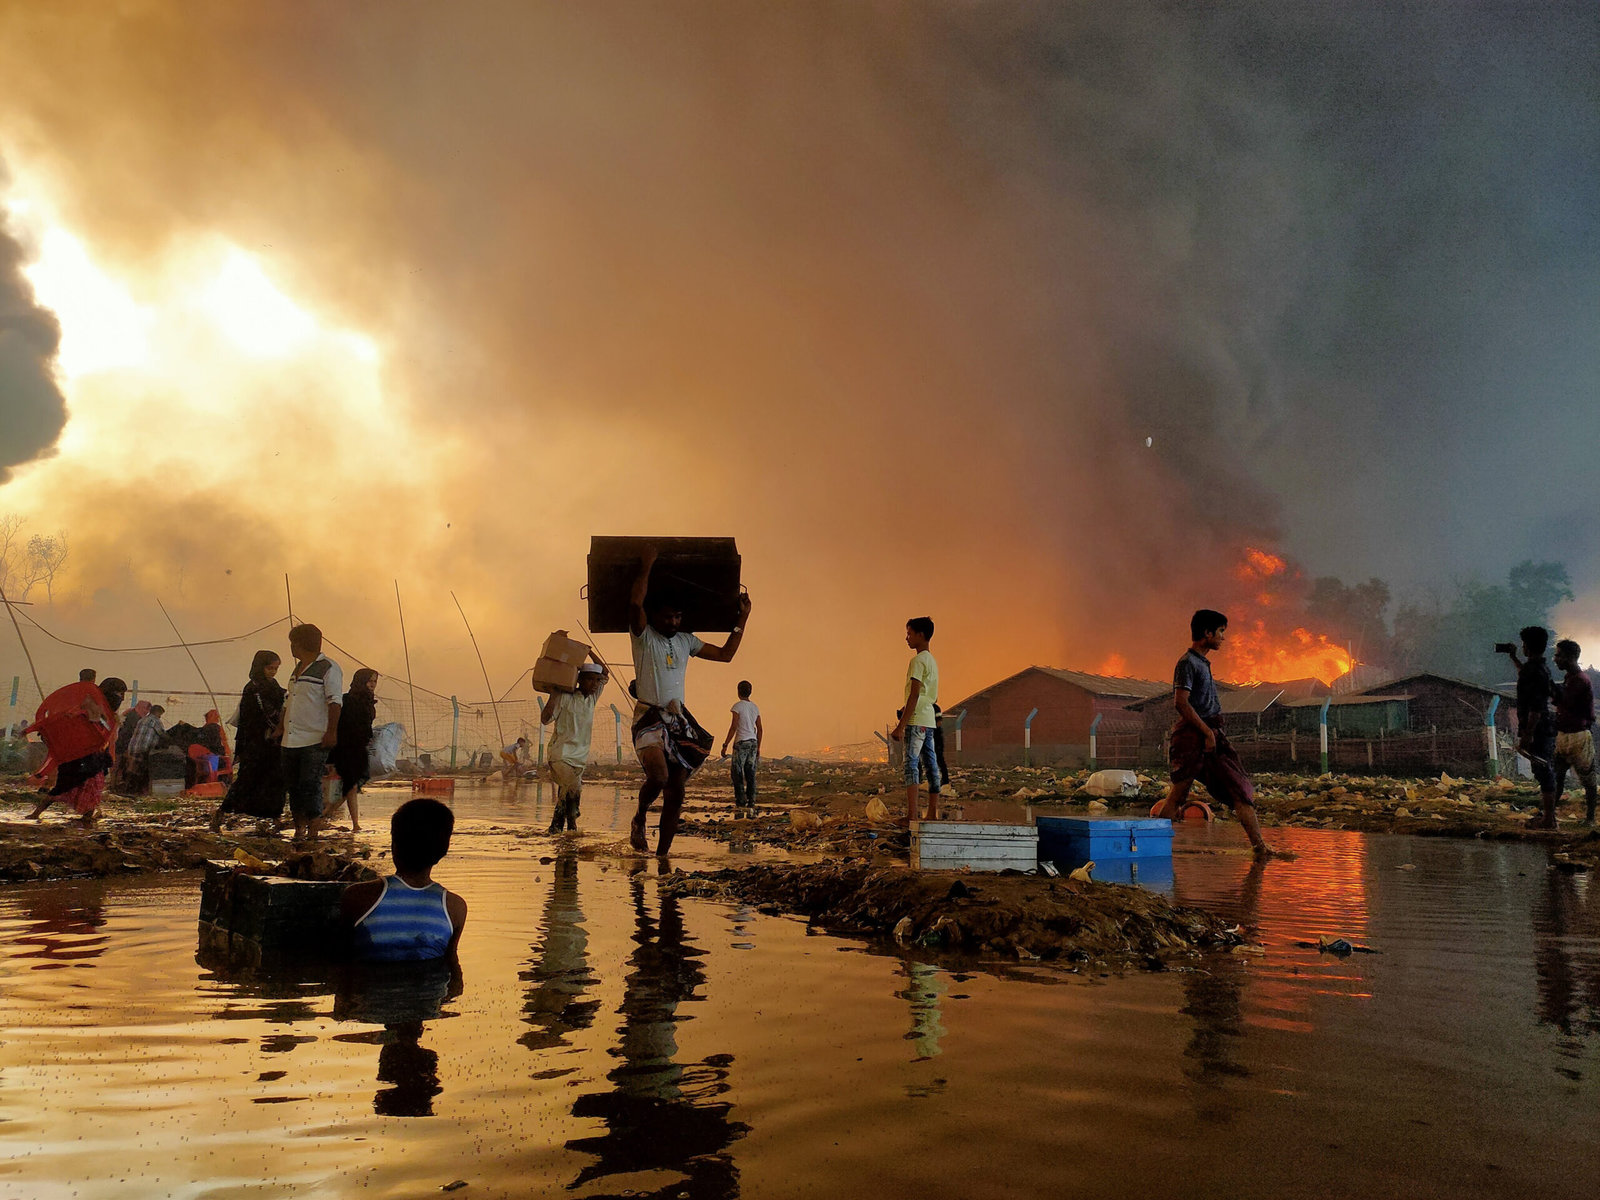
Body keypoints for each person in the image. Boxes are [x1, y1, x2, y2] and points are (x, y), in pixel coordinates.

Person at [628, 545, 753, 856]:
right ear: (655, 615)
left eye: (678, 616)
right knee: (658, 775)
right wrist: (646, 565)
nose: (673, 621)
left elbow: (725, 655)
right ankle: (640, 817)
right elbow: (634, 604)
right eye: (668, 616)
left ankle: (662, 859)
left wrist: (743, 617)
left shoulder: (686, 640)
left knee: (677, 791)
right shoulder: (643, 637)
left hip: (678, 720)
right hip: (648, 718)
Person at [1154, 609, 1285, 858]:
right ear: (1207, 633)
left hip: (1209, 734)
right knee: (1179, 794)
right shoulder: (1187, 663)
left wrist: (1211, 733)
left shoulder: (1201, 662)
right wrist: (1206, 733)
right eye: (1221, 632)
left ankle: (1260, 848)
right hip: (1195, 737)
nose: (1223, 638)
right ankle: (1154, 846)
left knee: (1238, 788)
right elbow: (1181, 703)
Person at [340, 797, 468, 963]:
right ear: (444, 850)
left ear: (394, 846)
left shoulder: (357, 896)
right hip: (429, 986)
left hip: (370, 986)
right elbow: (451, 965)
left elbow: (343, 958)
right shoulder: (455, 908)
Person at [26, 677, 127, 825]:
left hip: (95, 754)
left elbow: (105, 735)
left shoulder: (110, 714)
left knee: (92, 786)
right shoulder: (91, 704)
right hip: (80, 753)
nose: (122, 698)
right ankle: (37, 813)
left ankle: (87, 816)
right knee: (65, 784)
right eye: (119, 693)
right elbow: (78, 720)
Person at [281, 623, 343, 843]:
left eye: (293, 643)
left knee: (310, 783)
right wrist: (280, 728)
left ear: (299, 644)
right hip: (290, 738)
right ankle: (298, 828)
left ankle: (314, 830)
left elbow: (335, 702)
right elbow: (289, 701)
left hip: (314, 737)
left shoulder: (328, 667)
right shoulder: (296, 669)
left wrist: (331, 732)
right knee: (293, 785)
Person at [211, 650, 286, 831]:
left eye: (276, 668)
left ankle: (275, 817)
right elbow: (265, 713)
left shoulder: (273, 685)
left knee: (275, 779)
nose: (273, 672)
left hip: (272, 744)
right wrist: (278, 724)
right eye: (270, 668)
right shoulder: (253, 688)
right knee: (247, 779)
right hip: (255, 742)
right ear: (260, 667)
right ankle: (220, 813)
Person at [540, 661, 606, 833]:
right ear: (579, 680)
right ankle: (573, 827)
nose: (594, 684)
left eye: (596, 681)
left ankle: (555, 828)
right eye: (590, 680)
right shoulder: (565, 697)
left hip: (579, 757)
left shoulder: (592, 697)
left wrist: (588, 651)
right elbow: (545, 719)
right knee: (573, 788)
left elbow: (605, 671)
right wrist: (553, 695)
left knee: (565, 794)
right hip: (560, 754)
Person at [1504, 626, 1560, 829]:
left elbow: (1535, 708)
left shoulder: (1534, 671)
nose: (1523, 647)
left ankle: (1549, 820)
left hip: (1538, 728)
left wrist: (1527, 735)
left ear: (1527, 645)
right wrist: (1514, 659)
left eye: (1523, 644)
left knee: (1543, 769)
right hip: (1543, 726)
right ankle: (1549, 817)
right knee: (1543, 769)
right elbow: (1526, 676)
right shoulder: (1539, 668)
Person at [890, 617, 940, 822]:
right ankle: (931, 814)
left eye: (909, 633)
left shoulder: (917, 661)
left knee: (911, 765)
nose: (907, 638)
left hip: (916, 721)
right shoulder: (932, 661)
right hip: (928, 719)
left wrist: (901, 726)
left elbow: (915, 694)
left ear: (921, 635)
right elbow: (931, 696)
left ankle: (911, 815)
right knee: (930, 764)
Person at [322, 667, 379, 835]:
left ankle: (344, 820)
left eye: (375, 682)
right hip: (345, 748)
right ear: (361, 681)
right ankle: (326, 817)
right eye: (370, 681)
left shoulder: (369, 702)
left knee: (351, 787)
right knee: (351, 786)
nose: (372, 685)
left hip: (358, 748)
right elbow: (342, 725)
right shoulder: (347, 700)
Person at [1551, 640, 1598, 824]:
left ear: (1570, 657)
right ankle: (1551, 814)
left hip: (1577, 736)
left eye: (1558, 655)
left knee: (1587, 780)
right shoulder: (1573, 678)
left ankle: (1590, 818)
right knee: (1559, 777)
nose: (1555, 659)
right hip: (1568, 735)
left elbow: (1564, 701)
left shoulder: (1579, 680)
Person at [720, 680, 763, 811]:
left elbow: (734, 726)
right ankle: (751, 800)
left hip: (741, 742)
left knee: (737, 773)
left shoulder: (737, 707)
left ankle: (740, 801)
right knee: (750, 773)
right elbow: (760, 729)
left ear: (738, 691)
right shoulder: (755, 707)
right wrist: (758, 747)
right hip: (753, 742)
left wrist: (725, 744)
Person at [123, 703, 167, 796]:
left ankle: (128, 790)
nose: (160, 717)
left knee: (133, 768)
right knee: (143, 771)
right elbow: (163, 735)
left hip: (133, 748)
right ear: (157, 713)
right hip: (144, 749)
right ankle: (139, 791)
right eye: (160, 715)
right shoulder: (155, 721)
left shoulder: (142, 720)